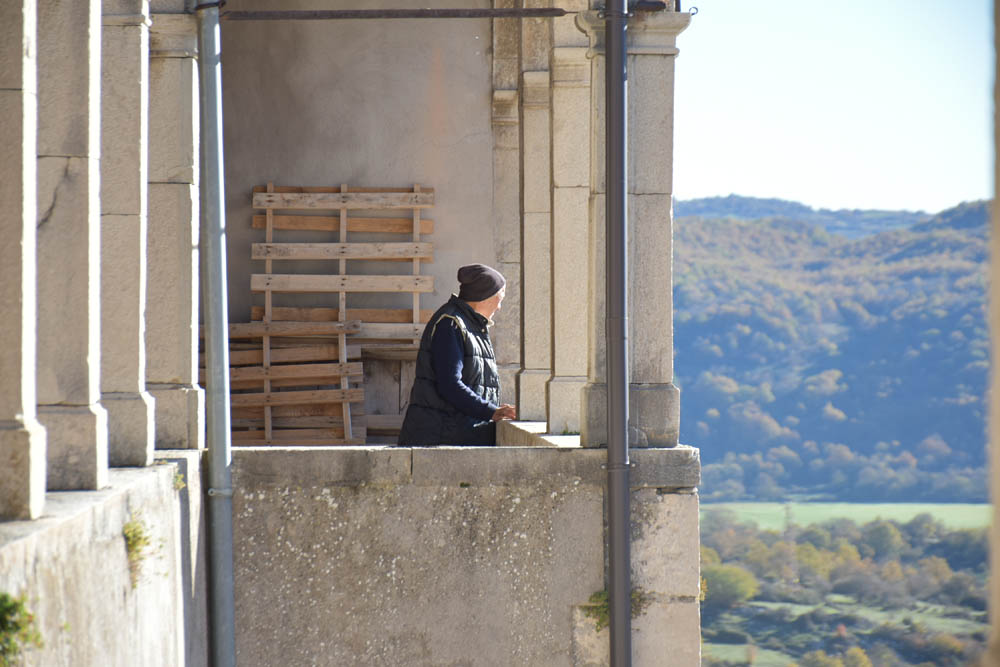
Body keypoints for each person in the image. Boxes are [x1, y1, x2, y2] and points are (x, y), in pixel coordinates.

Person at [398, 264, 517, 446]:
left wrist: (492, 410)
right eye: (499, 298)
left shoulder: (470, 324)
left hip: (457, 435)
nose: (499, 307)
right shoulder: (451, 324)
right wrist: (490, 411)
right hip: (441, 439)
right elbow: (450, 384)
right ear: (485, 297)